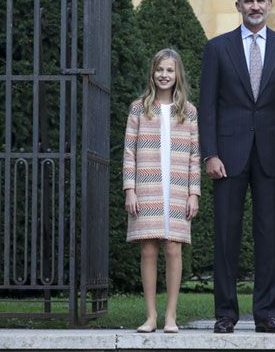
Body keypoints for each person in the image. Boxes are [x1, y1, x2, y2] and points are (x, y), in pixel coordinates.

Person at [199, 0, 275, 334]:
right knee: (226, 235)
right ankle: (225, 313)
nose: (255, 6)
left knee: (270, 235)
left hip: (273, 155)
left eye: (260, 0)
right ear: (238, 5)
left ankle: (267, 313)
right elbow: (207, 106)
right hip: (227, 155)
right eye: (248, 1)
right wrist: (209, 153)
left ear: (270, 4)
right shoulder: (217, 48)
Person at [123, 48, 201, 334]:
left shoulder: (189, 112)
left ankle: (171, 316)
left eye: (169, 70)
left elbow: (195, 155)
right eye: (159, 70)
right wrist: (129, 189)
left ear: (177, 74)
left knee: (173, 247)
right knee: (148, 248)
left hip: (178, 187)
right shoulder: (139, 108)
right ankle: (151, 316)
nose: (164, 75)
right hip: (148, 186)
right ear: (152, 73)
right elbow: (129, 152)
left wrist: (194, 192)